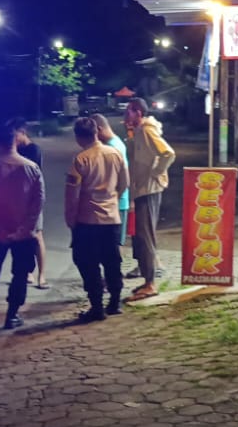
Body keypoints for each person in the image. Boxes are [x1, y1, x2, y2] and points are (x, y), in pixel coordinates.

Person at [64, 115, 128, 323]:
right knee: (112, 262)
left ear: (78, 137)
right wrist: (111, 200)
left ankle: (97, 307)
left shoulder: (81, 160)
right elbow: (124, 183)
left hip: (88, 221)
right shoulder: (115, 154)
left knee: (88, 264)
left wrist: (71, 219)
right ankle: (115, 303)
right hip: (112, 219)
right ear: (96, 133)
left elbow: (72, 195)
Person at [0, 123, 44, 329]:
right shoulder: (31, 168)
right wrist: (24, 230)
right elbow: (37, 204)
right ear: (15, 141)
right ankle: (12, 315)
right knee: (20, 274)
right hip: (24, 234)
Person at [123, 97, 175, 301]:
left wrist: (156, 172)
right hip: (142, 189)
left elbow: (167, 153)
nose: (126, 114)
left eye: (129, 110)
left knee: (145, 236)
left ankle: (151, 283)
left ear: (138, 112)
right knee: (141, 235)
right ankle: (147, 280)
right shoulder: (138, 131)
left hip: (149, 189)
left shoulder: (146, 130)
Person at [9, 118, 50, 289]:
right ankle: (27, 272)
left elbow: (31, 176)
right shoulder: (16, 150)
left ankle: (42, 275)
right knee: (19, 237)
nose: (14, 139)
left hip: (32, 200)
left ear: (22, 133)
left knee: (37, 236)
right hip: (16, 200)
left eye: (15, 135)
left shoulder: (34, 150)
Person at [92, 113, 130, 247]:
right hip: (116, 203)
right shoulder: (116, 142)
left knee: (112, 246)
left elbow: (123, 179)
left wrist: (113, 199)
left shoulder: (112, 148)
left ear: (99, 130)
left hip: (116, 205)